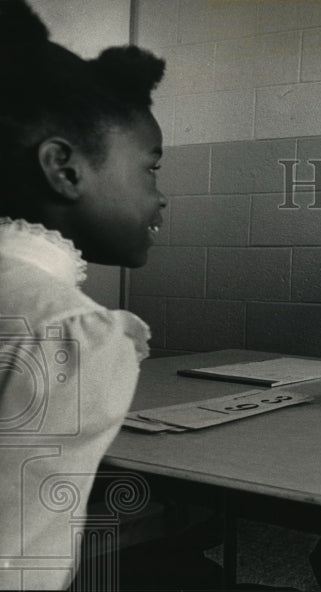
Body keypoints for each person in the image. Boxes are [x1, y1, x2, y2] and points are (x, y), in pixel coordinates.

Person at [0, 1, 166, 588]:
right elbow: (18, 566)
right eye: (151, 170)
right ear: (64, 170)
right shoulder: (69, 332)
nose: (160, 198)